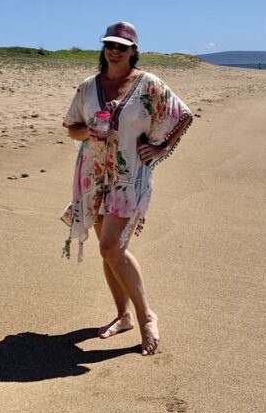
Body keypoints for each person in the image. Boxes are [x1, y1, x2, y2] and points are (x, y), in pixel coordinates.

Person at [61, 21, 192, 356]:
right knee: (109, 251)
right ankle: (123, 316)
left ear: (134, 51)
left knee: (110, 248)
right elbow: (71, 128)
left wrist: (163, 149)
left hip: (128, 178)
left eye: (122, 46)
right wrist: (89, 131)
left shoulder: (149, 85)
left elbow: (183, 115)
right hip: (94, 176)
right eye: (109, 45)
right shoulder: (88, 87)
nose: (114, 51)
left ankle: (146, 316)